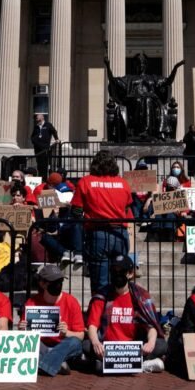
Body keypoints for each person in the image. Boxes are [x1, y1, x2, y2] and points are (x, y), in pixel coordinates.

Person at [84, 254, 166, 373]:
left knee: (161, 344)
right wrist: (96, 342)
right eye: (114, 271)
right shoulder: (102, 296)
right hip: (107, 347)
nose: (117, 274)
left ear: (130, 274)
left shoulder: (140, 297)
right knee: (87, 345)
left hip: (132, 348)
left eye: (121, 271)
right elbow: (92, 325)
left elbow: (151, 327)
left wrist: (151, 343)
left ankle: (107, 366)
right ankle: (141, 365)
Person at [70, 150, 132, 292]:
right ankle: (115, 311)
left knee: (100, 283)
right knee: (120, 281)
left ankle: (100, 311)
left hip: (98, 234)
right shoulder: (123, 184)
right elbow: (127, 207)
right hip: (120, 235)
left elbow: (76, 211)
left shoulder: (86, 182)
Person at [19, 264, 84, 376]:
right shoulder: (32, 303)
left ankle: (44, 364)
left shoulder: (71, 302)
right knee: (27, 342)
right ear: (42, 283)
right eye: (54, 282)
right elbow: (26, 336)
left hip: (63, 345)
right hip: (42, 346)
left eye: (60, 281)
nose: (58, 285)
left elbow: (81, 335)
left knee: (75, 343)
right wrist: (22, 329)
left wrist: (66, 333)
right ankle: (56, 363)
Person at [31, 113, 59, 180]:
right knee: (39, 164)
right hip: (37, 149)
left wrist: (57, 139)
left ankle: (44, 178)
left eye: (37, 117)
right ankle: (40, 178)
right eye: (36, 118)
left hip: (45, 149)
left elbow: (54, 131)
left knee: (45, 164)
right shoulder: (36, 127)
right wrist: (35, 142)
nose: (36, 119)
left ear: (42, 118)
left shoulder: (48, 125)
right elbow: (32, 137)